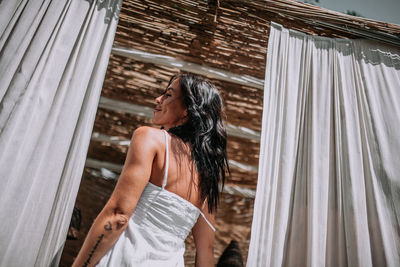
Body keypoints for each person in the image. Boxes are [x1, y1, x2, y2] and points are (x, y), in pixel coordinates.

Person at [72, 73, 230, 267]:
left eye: (168, 95)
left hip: (126, 258)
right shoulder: (207, 177)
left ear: (188, 111)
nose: (158, 99)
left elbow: (118, 215)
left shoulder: (150, 139)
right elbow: (205, 251)